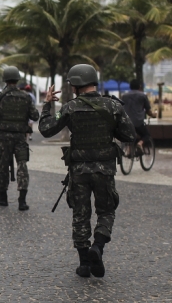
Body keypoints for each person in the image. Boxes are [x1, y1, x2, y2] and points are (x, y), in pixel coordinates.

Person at [39, 64, 136, 278]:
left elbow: (46, 129)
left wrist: (47, 105)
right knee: (107, 210)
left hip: (79, 170)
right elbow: (130, 134)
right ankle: (98, 247)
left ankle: (84, 263)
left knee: (80, 214)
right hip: (104, 170)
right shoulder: (113, 106)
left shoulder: (70, 108)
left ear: (74, 85)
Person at [0, 67, 39, 211]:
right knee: (22, 166)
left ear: (5, 79)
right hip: (20, 137)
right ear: (17, 80)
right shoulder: (26, 96)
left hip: (4, 137)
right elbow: (35, 116)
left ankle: (2, 198)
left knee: (3, 167)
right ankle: (22, 201)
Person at [121, 79, 157, 155]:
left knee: (130, 135)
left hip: (126, 122)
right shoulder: (143, 96)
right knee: (146, 135)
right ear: (139, 86)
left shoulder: (124, 96)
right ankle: (140, 143)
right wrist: (153, 115)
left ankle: (129, 150)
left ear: (130, 87)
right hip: (138, 122)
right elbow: (148, 111)